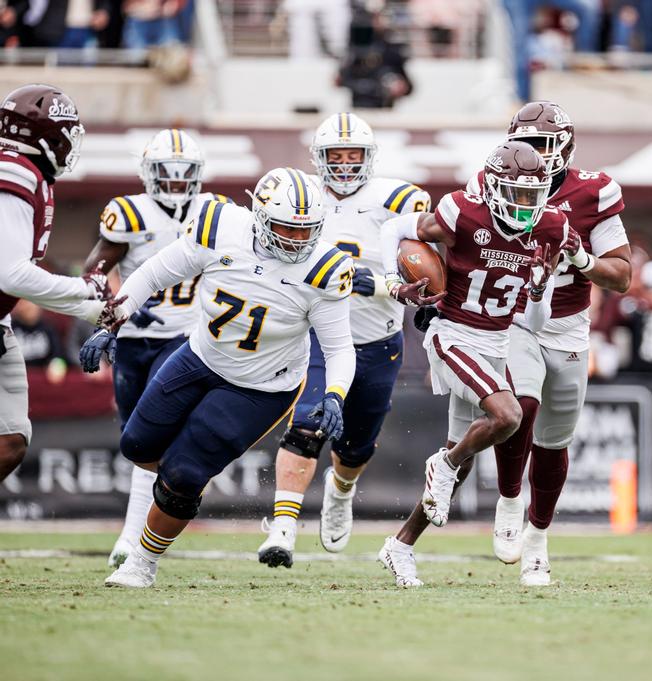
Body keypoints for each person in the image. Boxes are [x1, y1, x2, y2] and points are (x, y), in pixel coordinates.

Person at [86, 167, 357, 588]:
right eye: (288, 228)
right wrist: (111, 323)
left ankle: (142, 560)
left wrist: (336, 394)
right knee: (137, 446)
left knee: (184, 473)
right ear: (261, 218)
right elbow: (154, 273)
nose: (298, 240)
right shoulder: (219, 226)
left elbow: (340, 348)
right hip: (199, 357)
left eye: (308, 231)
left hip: (262, 387)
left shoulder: (325, 268)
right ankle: (185, 480)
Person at [375, 141, 566, 588]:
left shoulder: (552, 228)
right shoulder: (464, 213)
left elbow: (535, 322)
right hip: (452, 334)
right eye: (518, 194)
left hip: (497, 342)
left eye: (535, 195)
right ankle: (443, 464)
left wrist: (538, 290)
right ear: (495, 188)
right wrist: (391, 281)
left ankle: (400, 545)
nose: (527, 205)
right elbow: (394, 230)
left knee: (459, 467)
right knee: (509, 415)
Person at [463, 102, 630, 585]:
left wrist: (580, 258)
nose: (531, 154)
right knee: (522, 403)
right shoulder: (488, 181)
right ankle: (511, 498)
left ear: (563, 148)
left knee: (555, 441)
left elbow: (621, 276)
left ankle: (538, 536)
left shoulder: (593, 191)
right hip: (514, 317)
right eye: (524, 143)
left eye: (541, 145)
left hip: (570, 325)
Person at [256, 113, 432, 568]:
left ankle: (342, 489)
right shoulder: (300, 199)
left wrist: (404, 287)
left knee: (355, 446)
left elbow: (428, 263)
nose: (347, 164)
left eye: (355, 155)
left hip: (379, 340)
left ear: (369, 158)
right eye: (338, 156)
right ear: (320, 158)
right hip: (318, 335)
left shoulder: (398, 199)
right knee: (306, 427)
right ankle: (283, 528)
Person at [83, 128, 231, 568]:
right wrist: (114, 306)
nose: (175, 182)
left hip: (186, 336)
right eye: (166, 173)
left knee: (159, 430)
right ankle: (138, 532)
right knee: (135, 438)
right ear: (149, 174)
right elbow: (96, 269)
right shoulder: (129, 212)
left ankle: (133, 536)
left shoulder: (214, 211)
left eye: (184, 173)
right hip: (134, 337)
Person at [0, 84, 108, 483]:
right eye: (66, 133)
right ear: (43, 135)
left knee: (10, 439)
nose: (69, 144)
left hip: (1, 320)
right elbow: (11, 273)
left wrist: (89, 308)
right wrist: (86, 292)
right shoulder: (13, 171)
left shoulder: (31, 174)